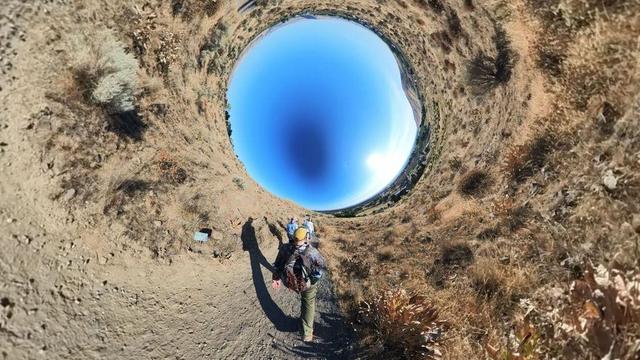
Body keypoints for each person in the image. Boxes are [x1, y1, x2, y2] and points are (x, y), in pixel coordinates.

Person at [272, 227, 325, 342]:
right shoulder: (313, 252)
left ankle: (305, 329)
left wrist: (276, 278)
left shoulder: (285, 248)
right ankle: (307, 334)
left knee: (306, 299)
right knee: (308, 302)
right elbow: (319, 271)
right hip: (306, 285)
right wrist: (311, 282)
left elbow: (277, 264)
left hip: (289, 283)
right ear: (306, 238)